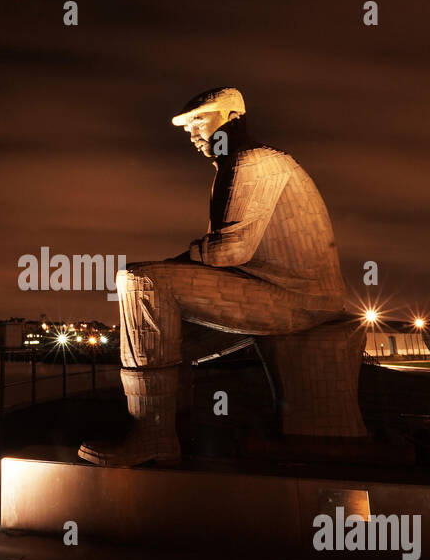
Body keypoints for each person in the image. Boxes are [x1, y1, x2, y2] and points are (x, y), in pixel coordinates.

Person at [78, 87, 348, 466]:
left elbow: (228, 250)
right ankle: (174, 428)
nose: (192, 132)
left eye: (199, 120)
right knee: (165, 332)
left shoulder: (251, 162)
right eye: (187, 125)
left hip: (292, 297)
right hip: (275, 288)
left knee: (142, 283)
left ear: (233, 118)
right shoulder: (243, 163)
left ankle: (152, 435)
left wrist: (173, 266)